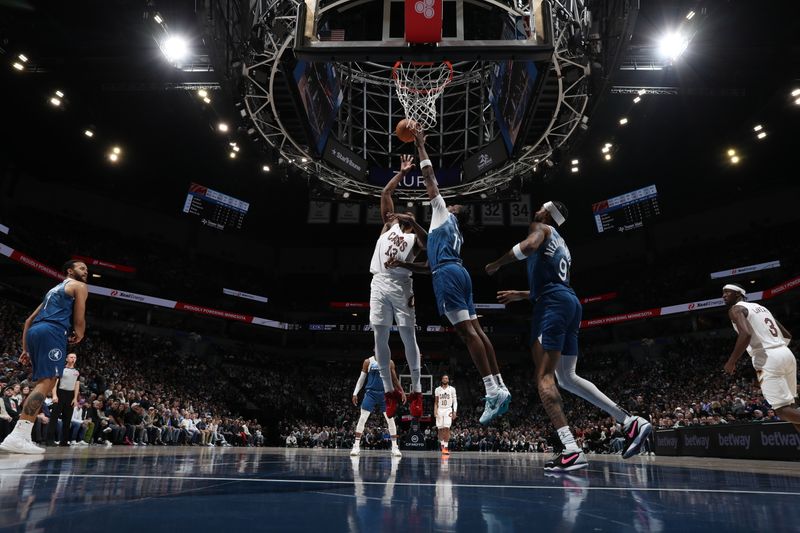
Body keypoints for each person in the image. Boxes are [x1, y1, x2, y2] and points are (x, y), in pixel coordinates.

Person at [486, 201, 650, 472]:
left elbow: (527, 247)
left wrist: (498, 263)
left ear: (548, 214)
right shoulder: (564, 244)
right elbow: (555, 282)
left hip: (552, 305)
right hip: (569, 302)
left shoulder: (540, 227)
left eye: (541, 207)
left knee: (544, 377)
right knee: (567, 377)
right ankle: (630, 421)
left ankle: (571, 449)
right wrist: (524, 294)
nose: (536, 209)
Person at [409, 127, 510, 425]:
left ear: (454, 212)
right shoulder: (455, 234)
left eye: (453, 205)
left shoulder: (444, 214)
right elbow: (429, 252)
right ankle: (500, 385)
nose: (449, 203)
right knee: (477, 331)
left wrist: (420, 147)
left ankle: (492, 390)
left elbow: (429, 178)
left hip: (449, 276)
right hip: (460, 272)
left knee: (468, 335)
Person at [0, 260, 89, 454]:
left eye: (86, 269)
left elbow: (28, 321)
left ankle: (22, 435)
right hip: (53, 332)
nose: (85, 271)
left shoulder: (53, 291)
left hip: (35, 332)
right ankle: (18, 435)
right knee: (47, 381)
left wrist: (25, 349)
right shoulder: (79, 286)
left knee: (46, 381)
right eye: (82, 268)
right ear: (69, 271)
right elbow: (79, 318)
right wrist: (80, 333)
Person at [369, 154, 427, 418]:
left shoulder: (415, 237)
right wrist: (402, 173)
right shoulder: (388, 225)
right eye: (407, 215)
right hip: (379, 283)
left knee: (407, 336)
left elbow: (430, 248)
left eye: (411, 216)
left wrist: (414, 222)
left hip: (402, 286)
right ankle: (388, 391)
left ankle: (416, 391)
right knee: (379, 336)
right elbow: (385, 192)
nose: (407, 215)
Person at [722, 283, 799, 431]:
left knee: (782, 411)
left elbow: (746, 334)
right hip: (785, 352)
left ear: (738, 294)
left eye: (727, 292)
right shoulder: (761, 308)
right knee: (792, 406)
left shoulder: (735, 309)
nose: (723, 295)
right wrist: (777, 348)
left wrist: (731, 362)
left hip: (767, 356)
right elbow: (787, 335)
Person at [351, 354, 405, 457]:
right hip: (371, 393)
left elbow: (394, 379)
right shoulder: (368, 361)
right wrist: (355, 393)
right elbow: (361, 379)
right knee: (362, 418)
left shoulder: (389, 362)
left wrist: (401, 391)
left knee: (390, 419)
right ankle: (356, 446)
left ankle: (394, 447)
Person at [47, 352, 81, 446]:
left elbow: (77, 385)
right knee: (54, 418)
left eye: (75, 357)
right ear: (66, 359)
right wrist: (54, 395)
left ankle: (64, 441)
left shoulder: (77, 372)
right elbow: (54, 383)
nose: (73, 358)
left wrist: (75, 398)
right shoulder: (61, 369)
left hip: (70, 396)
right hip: (60, 393)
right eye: (71, 357)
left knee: (67, 419)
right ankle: (49, 440)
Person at [433, 374, 457, 455]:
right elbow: (436, 402)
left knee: (447, 428)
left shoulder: (452, 389)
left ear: (448, 380)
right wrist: (435, 410)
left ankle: (446, 447)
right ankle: (442, 445)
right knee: (440, 428)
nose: (445, 379)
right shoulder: (437, 389)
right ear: (442, 380)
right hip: (440, 409)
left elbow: (455, 401)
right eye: (443, 378)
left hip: (448, 409)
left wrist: (455, 411)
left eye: (446, 378)